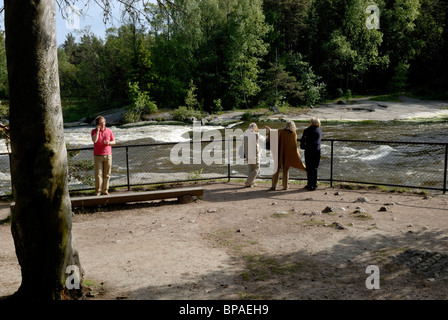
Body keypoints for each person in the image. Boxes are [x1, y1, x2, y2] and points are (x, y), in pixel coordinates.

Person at [266, 120, 306, 190]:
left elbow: (273, 133)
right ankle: (285, 186)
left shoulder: (281, 131)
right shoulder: (294, 133)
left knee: (276, 169)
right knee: (286, 170)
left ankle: (274, 186)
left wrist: (269, 129)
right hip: (288, 154)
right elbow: (294, 145)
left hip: (280, 152)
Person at [91, 116, 116, 196]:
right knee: (98, 175)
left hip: (108, 155)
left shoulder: (109, 131)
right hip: (98, 155)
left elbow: (114, 141)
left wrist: (109, 143)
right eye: (101, 123)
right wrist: (98, 130)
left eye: (104, 122)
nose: (103, 124)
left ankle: (105, 190)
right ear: (97, 124)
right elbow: (94, 140)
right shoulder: (93, 131)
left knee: (107, 174)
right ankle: (98, 191)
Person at [300, 118, 322, 191]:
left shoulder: (307, 130)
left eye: (309, 122)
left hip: (308, 151)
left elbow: (303, 140)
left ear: (312, 123)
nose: (309, 123)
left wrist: (303, 147)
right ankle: (314, 184)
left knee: (309, 168)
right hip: (316, 151)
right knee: (315, 168)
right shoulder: (319, 131)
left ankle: (309, 184)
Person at [242, 123, 265, 187]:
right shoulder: (256, 134)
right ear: (255, 128)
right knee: (256, 169)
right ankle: (248, 181)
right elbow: (263, 139)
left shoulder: (244, 134)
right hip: (255, 154)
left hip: (247, 154)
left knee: (250, 168)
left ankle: (251, 183)